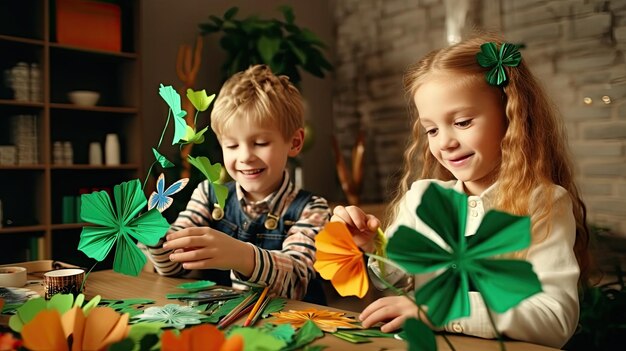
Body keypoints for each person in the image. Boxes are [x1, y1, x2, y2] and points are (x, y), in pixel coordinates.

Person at [331, 33, 590, 348]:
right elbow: (396, 278)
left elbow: (555, 318)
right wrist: (374, 246)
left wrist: (438, 311)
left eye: (463, 122)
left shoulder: (542, 203)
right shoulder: (424, 196)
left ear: (513, 118)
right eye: (432, 129)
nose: (445, 142)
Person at [147, 64, 331, 302]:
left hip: (292, 325)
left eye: (261, 142)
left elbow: (295, 281)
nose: (244, 156)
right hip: (225, 323)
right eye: (232, 145)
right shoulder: (208, 193)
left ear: (295, 143)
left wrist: (241, 256)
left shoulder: (312, 208)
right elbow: (175, 268)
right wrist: (156, 238)